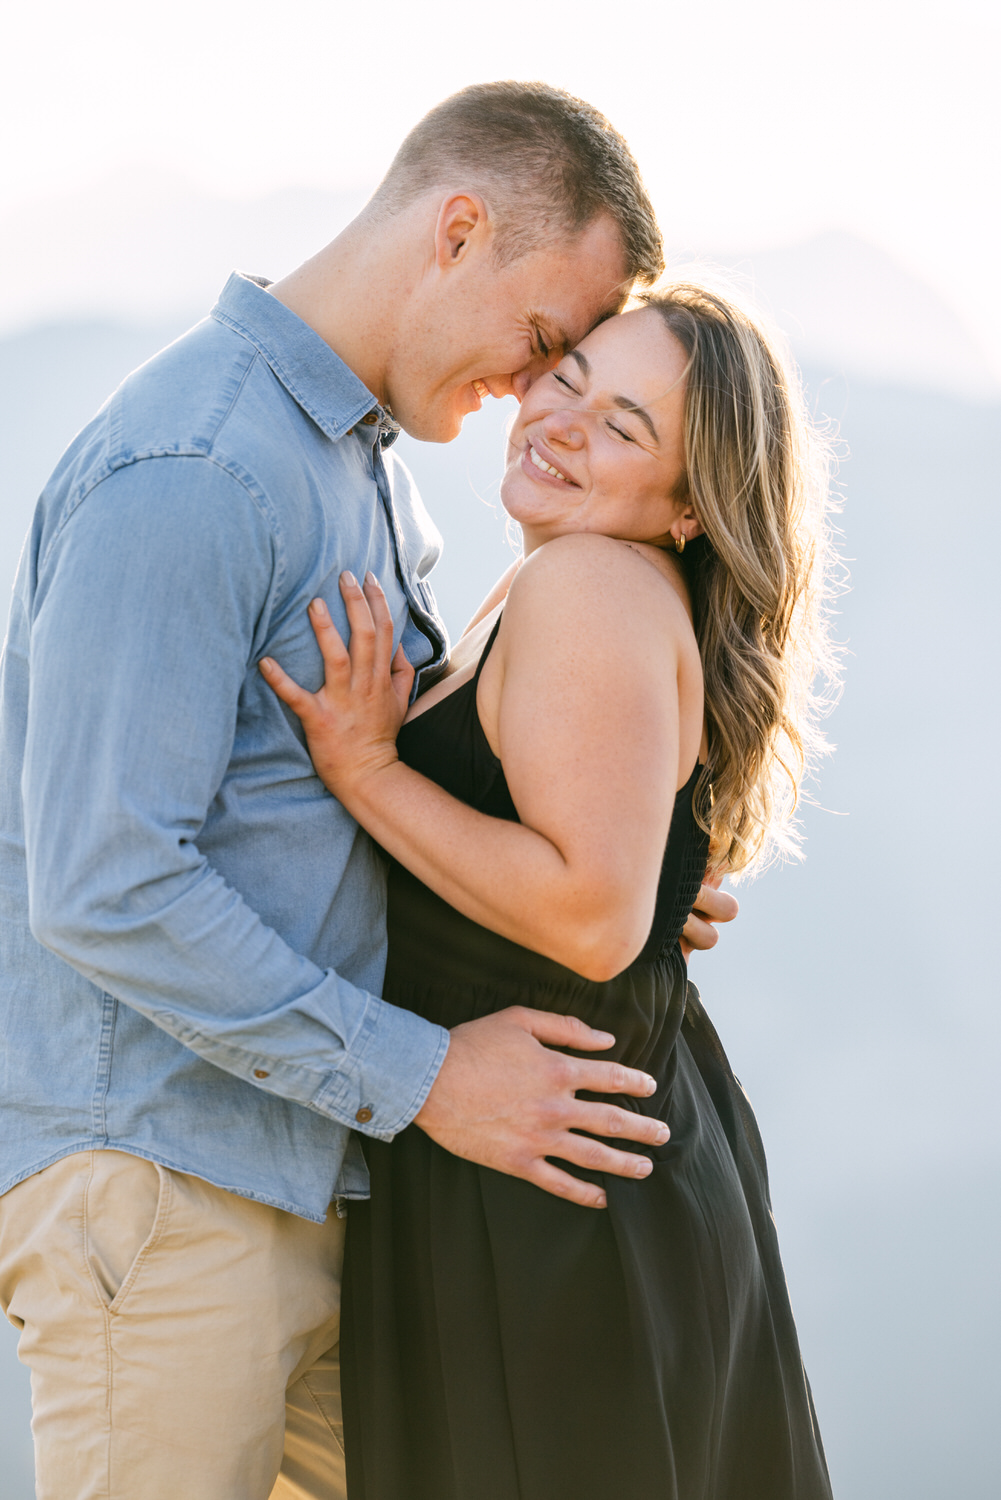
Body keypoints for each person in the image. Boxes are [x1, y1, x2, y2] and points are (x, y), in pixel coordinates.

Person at [0, 83, 735, 1500]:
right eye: (543, 344)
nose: (534, 394)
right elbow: (106, 879)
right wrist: (431, 1077)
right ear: (457, 231)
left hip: (320, 1176)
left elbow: (342, 800)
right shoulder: (199, 467)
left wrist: (603, 875)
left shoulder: (362, 476)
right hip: (163, 1194)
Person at [261, 282, 838, 1498]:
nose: (560, 422)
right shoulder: (549, 579)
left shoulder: (586, 583)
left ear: (686, 506)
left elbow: (588, 917)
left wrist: (364, 768)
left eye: (624, 426)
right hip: (553, 1156)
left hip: (553, 1204)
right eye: (568, 377)